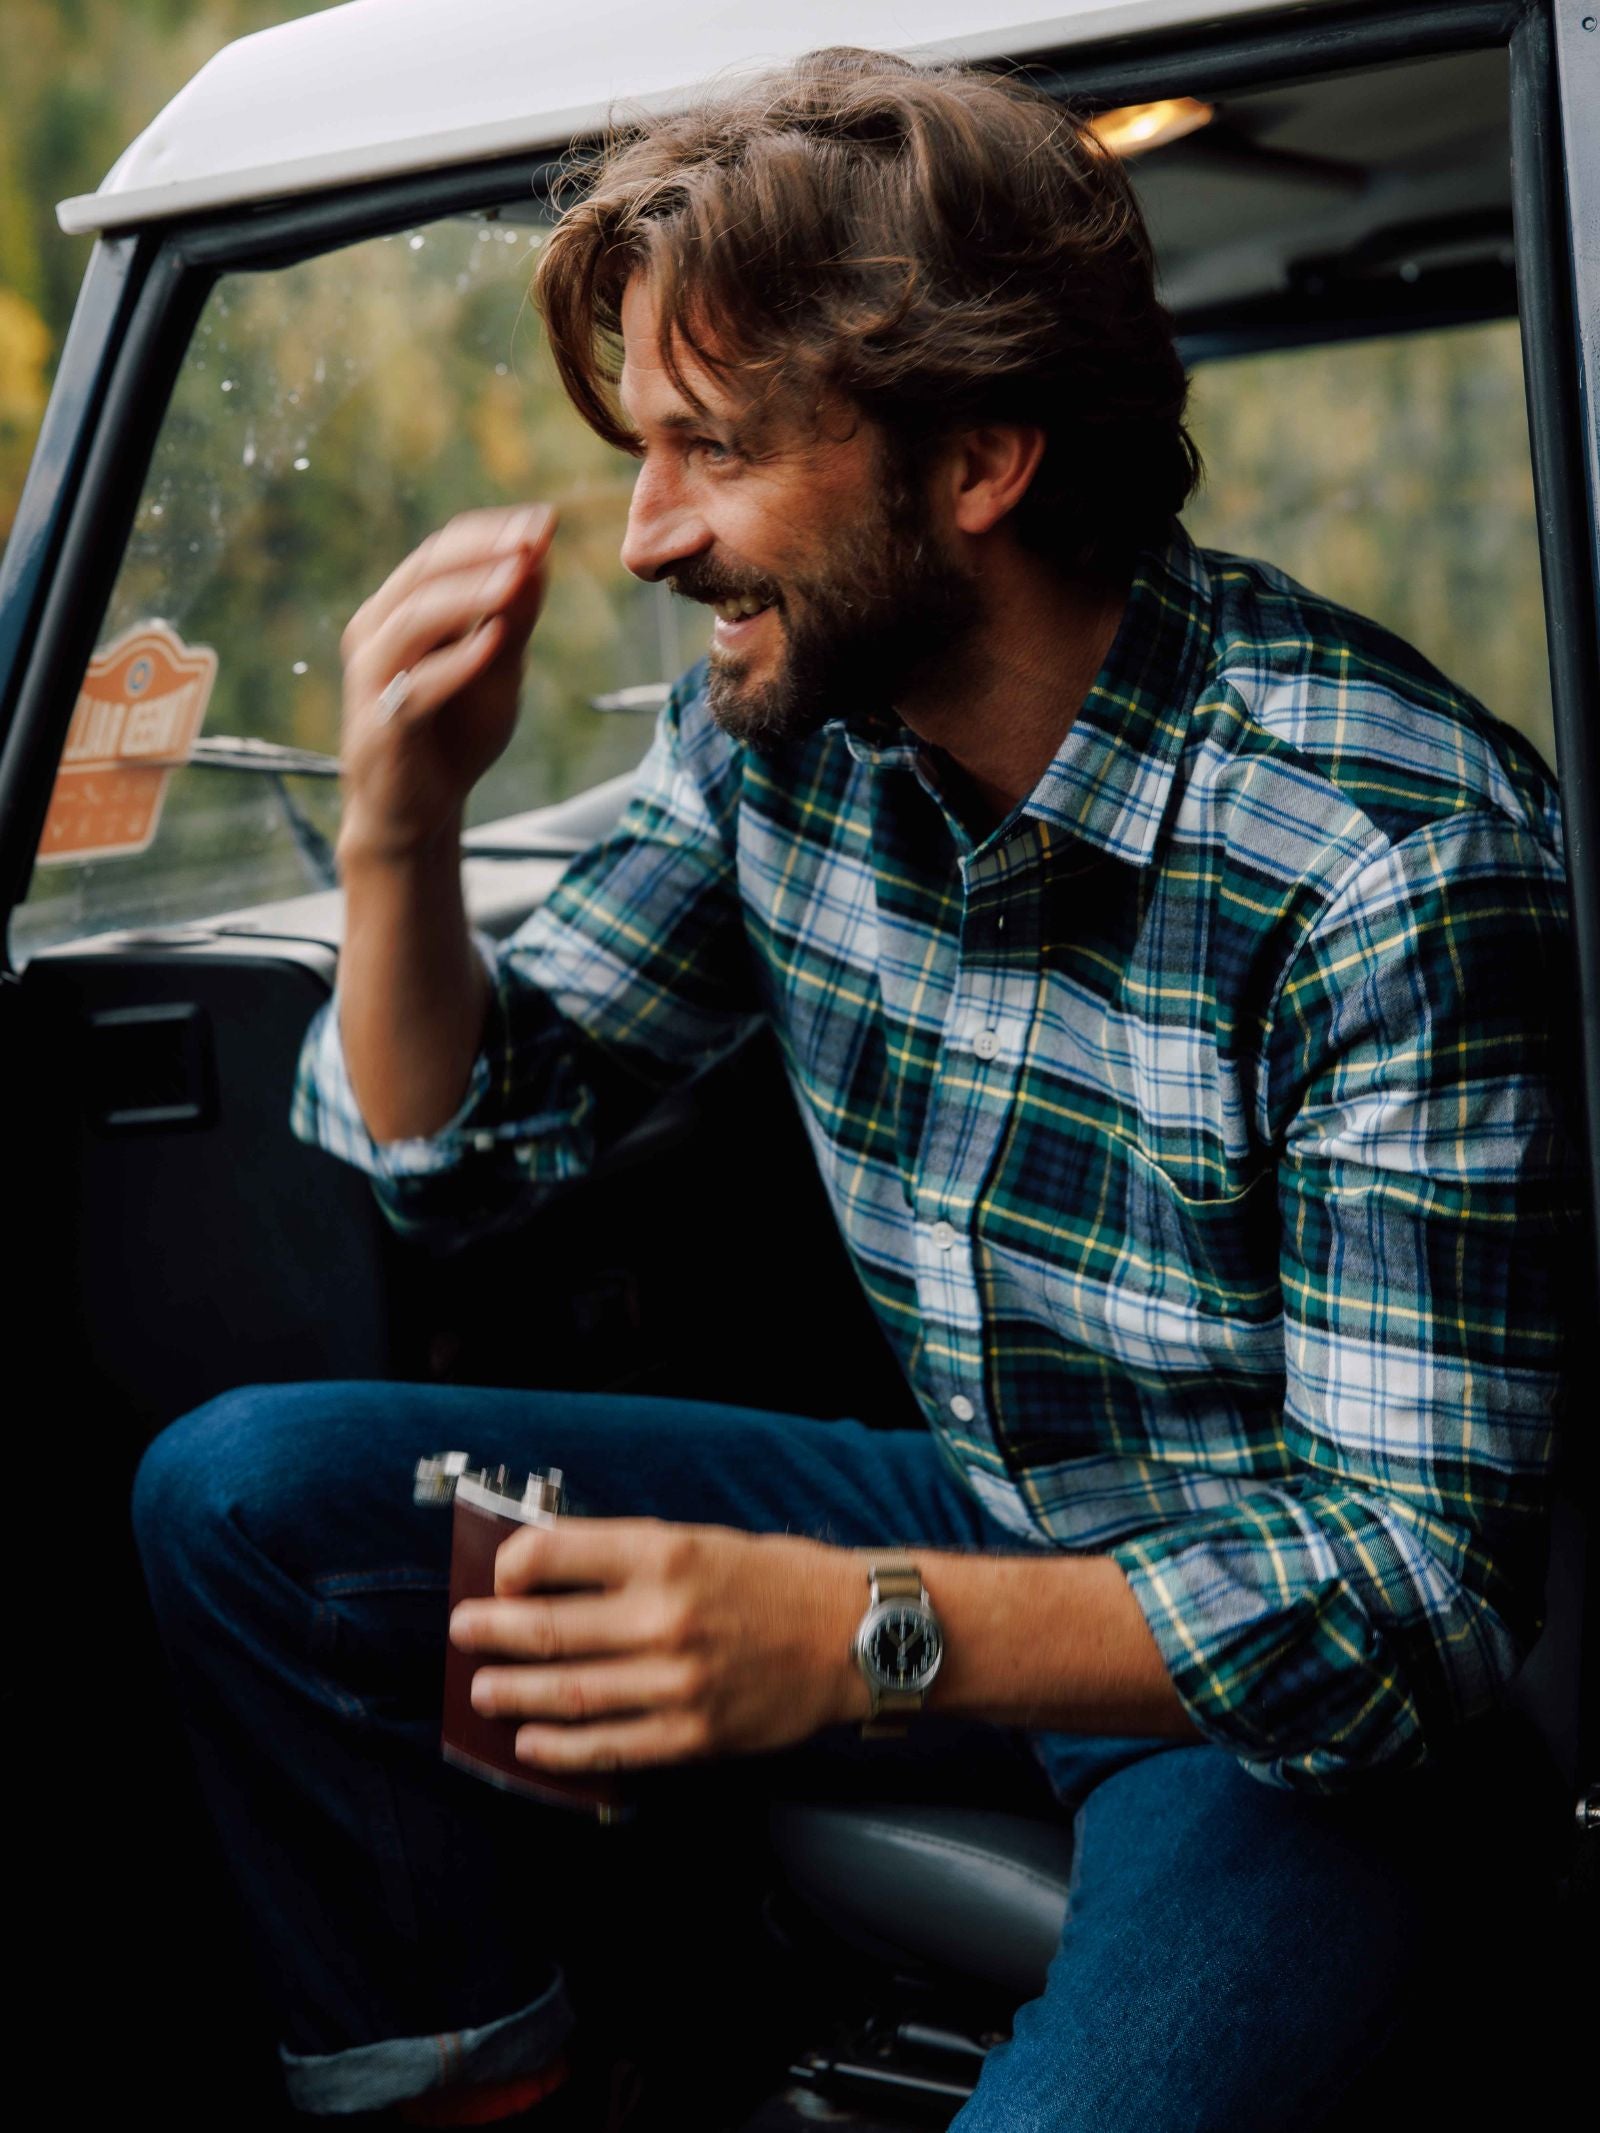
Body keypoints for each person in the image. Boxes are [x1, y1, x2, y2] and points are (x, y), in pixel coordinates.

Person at [132, 44, 1578, 2133]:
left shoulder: (1387, 858)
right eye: (640, 448)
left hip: (1278, 1709)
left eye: (710, 450)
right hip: (962, 1520)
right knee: (248, 1503)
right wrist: (396, 831)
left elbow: (1401, 1607)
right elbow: (468, 1153)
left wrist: (857, 1633)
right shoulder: (782, 734)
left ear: (977, 459)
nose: (642, 537)